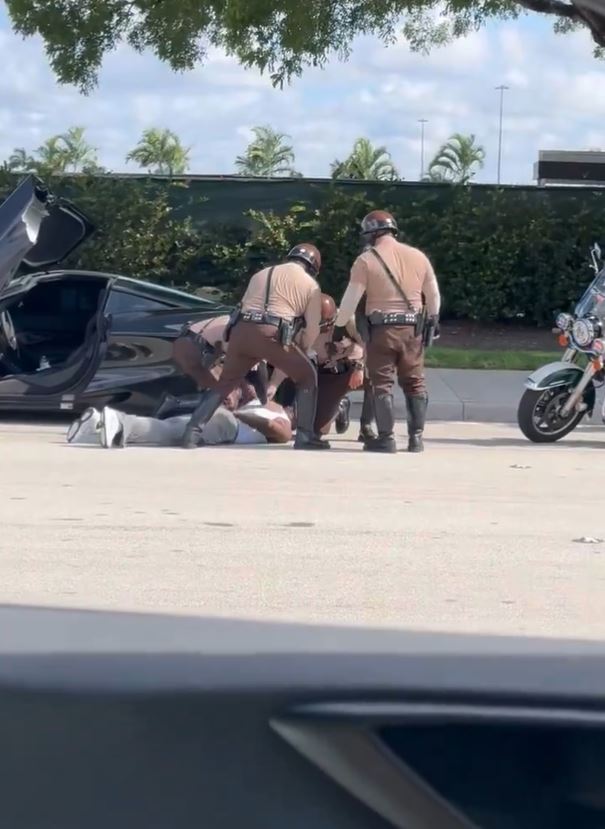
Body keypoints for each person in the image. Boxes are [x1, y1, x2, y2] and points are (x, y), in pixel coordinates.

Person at [180, 243, 328, 450]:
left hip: (242, 330)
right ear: (313, 267)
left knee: (225, 383)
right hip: (272, 332)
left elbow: (240, 308)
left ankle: (191, 433)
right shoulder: (310, 285)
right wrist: (301, 349)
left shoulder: (261, 274)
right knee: (307, 377)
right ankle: (305, 436)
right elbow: (312, 328)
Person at [332, 210, 440, 453]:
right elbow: (433, 293)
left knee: (382, 383)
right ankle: (416, 439)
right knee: (415, 382)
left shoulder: (366, 260)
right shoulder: (418, 256)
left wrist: (339, 327)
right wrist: (433, 318)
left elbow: (351, 299)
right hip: (413, 329)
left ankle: (386, 438)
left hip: (382, 329)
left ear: (371, 234)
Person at [268, 294, 364, 436]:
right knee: (315, 429)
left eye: (326, 323)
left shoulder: (348, 321)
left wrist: (359, 367)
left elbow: (369, 347)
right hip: (319, 371)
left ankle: (360, 421)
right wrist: (273, 386)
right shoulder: (300, 326)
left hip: (345, 371)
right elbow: (288, 358)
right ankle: (336, 407)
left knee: (376, 376)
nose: (323, 327)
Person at [67, 392, 293, 450]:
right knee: (170, 432)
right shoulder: (276, 409)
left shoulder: (283, 423)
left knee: (171, 428)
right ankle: (122, 423)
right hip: (228, 425)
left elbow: (274, 429)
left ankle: (92, 429)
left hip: (226, 422)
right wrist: (238, 412)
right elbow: (271, 426)